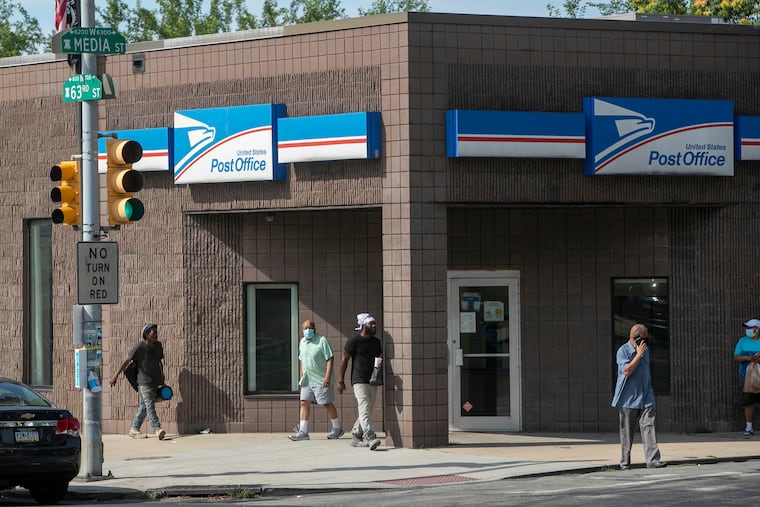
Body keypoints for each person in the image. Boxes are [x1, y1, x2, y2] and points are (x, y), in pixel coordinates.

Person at [611, 323, 666, 470]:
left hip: (646, 396)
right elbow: (627, 371)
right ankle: (624, 463)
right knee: (627, 433)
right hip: (628, 398)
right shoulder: (622, 351)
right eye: (644, 339)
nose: (646, 343)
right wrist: (638, 355)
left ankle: (653, 460)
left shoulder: (645, 351)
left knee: (649, 427)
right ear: (635, 338)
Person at [288, 319, 344, 441]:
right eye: (305, 328)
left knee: (326, 403)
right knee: (304, 402)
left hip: (321, 379)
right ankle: (303, 431)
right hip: (307, 379)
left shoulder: (321, 340)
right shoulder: (302, 342)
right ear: (302, 330)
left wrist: (327, 376)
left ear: (314, 329)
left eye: (310, 327)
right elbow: (301, 359)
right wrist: (301, 376)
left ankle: (337, 428)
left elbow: (330, 358)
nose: (308, 330)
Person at [111, 323, 166, 440]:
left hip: (155, 381)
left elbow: (159, 361)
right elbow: (126, 361)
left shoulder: (158, 346)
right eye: (153, 332)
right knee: (150, 406)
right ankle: (157, 429)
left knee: (144, 406)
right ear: (146, 335)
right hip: (143, 382)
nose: (156, 335)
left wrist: (162, 375)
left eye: (156, 332)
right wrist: (115, 376)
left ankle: (134, 429)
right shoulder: (139, 347)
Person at [337, 312, 383, 451]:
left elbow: (379, 359)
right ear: (363, 325)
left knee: (368, 409)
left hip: (372, 380)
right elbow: (344, 360)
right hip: (359, 380)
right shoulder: (354, 341)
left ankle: (357, 435)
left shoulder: (376, 342)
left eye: (375, 323)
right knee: (364, 407)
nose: (374, 326)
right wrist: (340, 381)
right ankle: (370, 436)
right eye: (371, 323)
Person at [733, 319, 760, 435]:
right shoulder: (742, 341)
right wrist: (748, 358)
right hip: (746, 376)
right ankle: (748, 427)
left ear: (757, 329)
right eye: (747, 328)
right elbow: (736, 357)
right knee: (748, 401)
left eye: (750, 328)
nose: (748, 330)